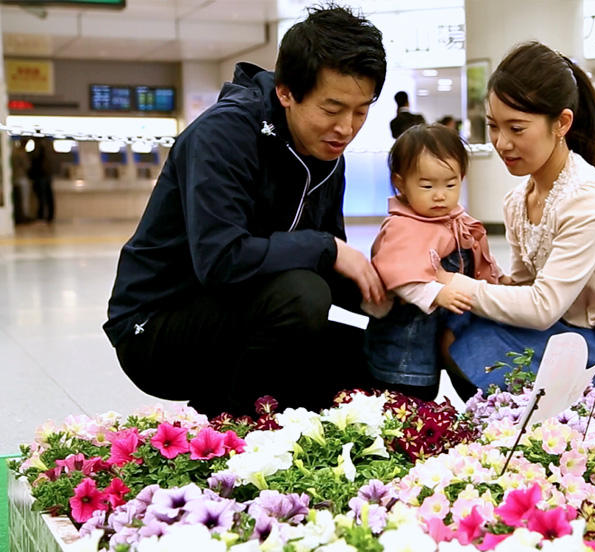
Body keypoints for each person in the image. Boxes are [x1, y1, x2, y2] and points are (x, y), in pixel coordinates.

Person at [103, 5, 388, 418]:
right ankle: (234, 432)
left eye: (361, 111)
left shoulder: (327, 153)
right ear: (286, 91)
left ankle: (248, 410)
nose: (346, 127)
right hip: (155, 328)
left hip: (243, 311)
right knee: (302, 296)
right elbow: (221, 260)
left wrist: (396, 292)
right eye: (332, 109)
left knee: (377, 363)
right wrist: (327, 247)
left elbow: (329, 265)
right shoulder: (223, 135)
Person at [436, 41, 595, 395]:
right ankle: (503, 425)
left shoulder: (588, 197)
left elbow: (542, 307)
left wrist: (457, 284)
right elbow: (522, 287)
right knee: (455, 322)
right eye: (493, 126)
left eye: (516, 129)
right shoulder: (518, 201)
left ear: (561, 123)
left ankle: (515, 428)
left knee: (470, 334)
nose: (502, 143)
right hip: (573, 331)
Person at [363, 124, 501, 400]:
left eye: (450, 184)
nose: (440, 194)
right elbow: (401, 277)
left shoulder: (455, 221)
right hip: (404, 345)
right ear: (401, 183)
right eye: (426, 186)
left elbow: (479, 257)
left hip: (441, 336)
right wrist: (439, 292)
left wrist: (498, 278)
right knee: (408, 400)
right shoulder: (404, 228)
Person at [27, 138, 55, 223]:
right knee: (46, 196)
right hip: (45, 174)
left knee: (42, 196)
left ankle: (42, 215)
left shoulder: (40, 148)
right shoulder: (48, 146)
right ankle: (48, 215)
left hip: (42, 175)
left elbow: (35, 160)